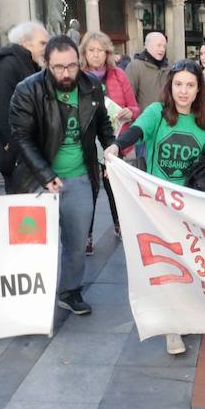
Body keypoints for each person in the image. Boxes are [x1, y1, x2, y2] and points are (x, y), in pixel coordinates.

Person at [106, 59, 205, 355]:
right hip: (157, 204)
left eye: (190, 85)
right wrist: (118, 146)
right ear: (170, 87)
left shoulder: (204, 122)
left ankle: (188, 314)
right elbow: (137, 131)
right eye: (178, 84)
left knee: (190, 262)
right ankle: (172, 328)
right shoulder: (158, 113)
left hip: (189, 206)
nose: (183, 91)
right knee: (168, 266)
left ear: (199, 90)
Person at [9, 34, 116, 316]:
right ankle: (32, 295)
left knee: (76, 242)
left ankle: (69, 291)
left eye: (71, 66)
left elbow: (102, 122)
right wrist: (45, 174)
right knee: (33, 245)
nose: (66, 73)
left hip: (81, 177)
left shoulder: (91, 86)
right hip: (38, 181)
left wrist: (111, 147)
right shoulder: (27, 90)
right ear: (46, 64)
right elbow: (21, 137)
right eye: (58, 67)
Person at [80, 30, 140, 253]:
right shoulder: (79, 77)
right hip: (86, 143)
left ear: (108, 53)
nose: (96, 55)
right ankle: (86, 234)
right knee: (89, 190)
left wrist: (128, 112)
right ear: (84, 53)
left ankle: (120, 225)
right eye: (91, 50)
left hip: (115, 141)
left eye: (100, 51)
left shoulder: (118, 75)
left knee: (115, 188)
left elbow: (135, 107)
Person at [0, 21, 48, 184]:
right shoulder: (4, 66)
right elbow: (2, 112)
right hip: (17, 155)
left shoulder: (29, 65)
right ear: (25, 42)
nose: (46, 48)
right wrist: (23, 149)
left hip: (26, 152)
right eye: (42, 43)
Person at [125, 31, 169, 110]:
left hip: (166, 119)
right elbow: (128, 98)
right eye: (159, 45)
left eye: (164, 46)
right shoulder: (135, 67)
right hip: (144, 119)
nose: (162, 49)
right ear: (147, 46)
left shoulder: (169, 68)